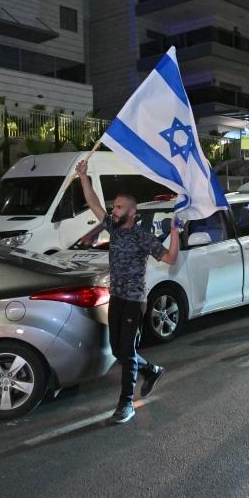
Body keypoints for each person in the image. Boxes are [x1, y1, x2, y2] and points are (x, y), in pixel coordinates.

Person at [76, 159, 178, 424]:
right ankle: (152, 370)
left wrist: (176, 233)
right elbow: (93, 203)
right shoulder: (114, 228)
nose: (114, 210)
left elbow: (169, 259)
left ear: (132, 212)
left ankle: (125, 405)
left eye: (119, 207)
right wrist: (83, 176)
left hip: (135, 300)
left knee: (127, 350)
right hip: (116, 298)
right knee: (119, 351)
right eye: (114, 207)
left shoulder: (142, 236)